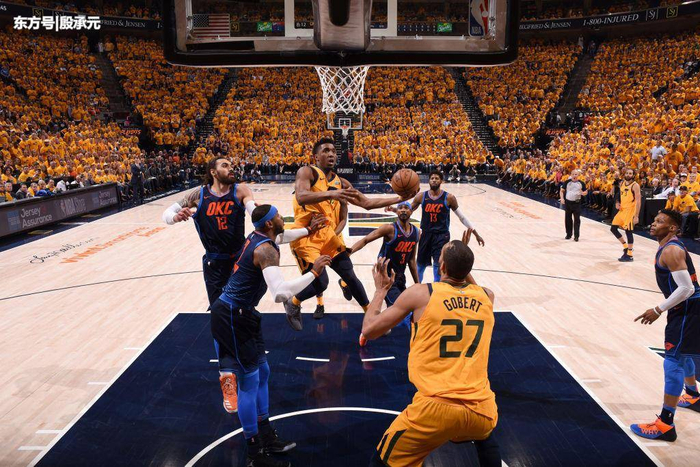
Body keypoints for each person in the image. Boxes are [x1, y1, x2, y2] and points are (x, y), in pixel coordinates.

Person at [163, 157, 323, 414]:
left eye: (231, 165)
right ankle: (227, 377)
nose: (231, 168)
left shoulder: (240, 190)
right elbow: (166, 214)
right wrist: (175, 216)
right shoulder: (198, 195)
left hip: (239, 259)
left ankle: (248, 362)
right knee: (219, 319)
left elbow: (256, 216)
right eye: (225, 165)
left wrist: (283, 225)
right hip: (215, 265)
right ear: (213, 171)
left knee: (241, 313)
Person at [211, 204, 332, 466]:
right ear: (268, 223)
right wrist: (314, 272)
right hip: (231, 316)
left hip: (244, 312)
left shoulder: (262, 235)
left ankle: (265, 433)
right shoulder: (265, 250)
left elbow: (284, 236)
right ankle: (254, 452)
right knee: (249, 381)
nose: (281, 218)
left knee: (263, 372)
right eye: (278, 216)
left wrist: (308, 230)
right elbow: (279, 293)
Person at [362, 241, 499, 466]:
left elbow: (369, 330)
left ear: (441, 266)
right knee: (486, 435)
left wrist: (380, 291)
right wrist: (461, 258)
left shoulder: (421, 294)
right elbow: (468, 281)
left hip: (436, 408)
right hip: (482, 407)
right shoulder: (487, 296)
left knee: (382, 460)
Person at [284, 138, 417, 332]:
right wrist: (332, 194)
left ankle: (371, 316)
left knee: (350, 275)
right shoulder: (307, 172)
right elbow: (301, 196)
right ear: (316, 156)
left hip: (328, 236)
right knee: (321, 282)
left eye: (333, 151)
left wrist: (399, 198)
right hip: (305, 238)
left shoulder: (341, 182)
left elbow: (366, 203)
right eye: (326, 151)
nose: (331, 154)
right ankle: (293, 302)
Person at [632, 209, 700, 442]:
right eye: (654, 220)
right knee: (683, 354)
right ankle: (693, 395)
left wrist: (658, 309)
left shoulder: (671, 250)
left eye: (659, 221)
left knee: (673, 361)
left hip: (687, 309)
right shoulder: (669, 246)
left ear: (672, 228)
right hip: (687, 308)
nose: (653, 223)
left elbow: (686, 289)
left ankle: (665, 424)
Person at [389, 170, 485, 283]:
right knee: (420, 265)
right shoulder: (421, 196)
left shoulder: (449, 198)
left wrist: (476, 234)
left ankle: (436, 289)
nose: (434, 180)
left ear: (441, 181)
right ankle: (417, 286)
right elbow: (408, 210)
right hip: (425, 235)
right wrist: (394, 209)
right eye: (432, 178)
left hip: (441, 236)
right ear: (429, 181)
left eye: (437, 178)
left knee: (438, 267)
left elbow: (462, 217)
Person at [349, 201, 419, 336]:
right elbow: (366, 240)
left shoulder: (416, 232)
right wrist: (349, 252)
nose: (403, 210)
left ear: (411, 211)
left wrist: (417, 283)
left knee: (396, 309)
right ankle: (368, 330)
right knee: (403, 311)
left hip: (400, 276)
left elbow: (411, 260)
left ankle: (377, 327)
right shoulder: (389, 229)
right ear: (396, 211)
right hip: (386, 276)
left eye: (406, 208)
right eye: (400, 208)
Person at [610, 168, 641, 262]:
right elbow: (619, 194)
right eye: (627, 173)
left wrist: (636, 216)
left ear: (633, 175)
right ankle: (625, 247)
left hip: (630, 211)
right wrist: (617, 202)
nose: (628, 175)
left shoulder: (635, 185)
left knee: (628, 231)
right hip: (622, 210)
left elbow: (638, 201)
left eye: (630, 173)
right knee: (613, 228)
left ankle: (630, 255)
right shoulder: (622, 183)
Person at [560, 169, 588, 241]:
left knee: (577, 219)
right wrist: (562, 198)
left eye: (576, 174)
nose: (574, 175)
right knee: (568, 219)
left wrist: (582, 193)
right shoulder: (567, 182)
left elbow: (585, 192)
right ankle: (568, 234)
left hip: (576, 203)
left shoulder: (581, 183)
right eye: (573, 174)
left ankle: (576, 236)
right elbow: (562, 191)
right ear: (571, 175)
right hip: (568, 203)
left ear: (578, 175)